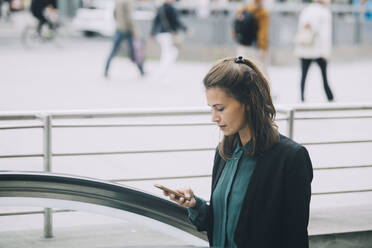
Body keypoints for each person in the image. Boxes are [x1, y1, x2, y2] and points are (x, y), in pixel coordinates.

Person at [163, 56, 313, 248]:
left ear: (248, 101)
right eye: (211, 109)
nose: (214, 118)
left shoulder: (291, 158)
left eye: (220, 108)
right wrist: (195, 205)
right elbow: (220, 226)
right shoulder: (224, 153)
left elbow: (295, 238)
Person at [294, 0, 334, 102]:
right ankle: (330, 97)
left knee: (303, 76)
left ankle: (302, 98)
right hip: (319, 51)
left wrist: (298, 50)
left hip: (305, 50)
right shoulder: (325, 13)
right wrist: (326, 52)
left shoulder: (306, 10)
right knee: (324, 76)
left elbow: (300, 30)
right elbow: (325, 35)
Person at [104, 0, 144, 78]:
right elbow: (130, 17)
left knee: (113, 50)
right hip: (128, 29)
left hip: (119, 28)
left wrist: (118, 22)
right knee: (134, 50)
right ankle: (141, 70)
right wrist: (135, 31)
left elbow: (114, 13)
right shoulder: (129, 2)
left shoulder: (118, 1)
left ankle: (106, 69)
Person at [150, 0, 187, 82]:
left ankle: (162, 73)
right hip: (169, 34)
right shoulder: (171, 8)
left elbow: (156, 21)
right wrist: (185, 29)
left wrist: (152, 34)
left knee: (167, 53)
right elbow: (176, 21)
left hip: (161, 34)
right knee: (170, 54)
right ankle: (163, 73)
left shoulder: (160, 8)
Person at [232, 0, 269, 72]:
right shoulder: (262, 12)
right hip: (256, 47)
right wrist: (263, 48)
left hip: (242, 46)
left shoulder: (242, 9)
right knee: (259, 72)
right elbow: (262, 32)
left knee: (241, 70)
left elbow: (235, 27)